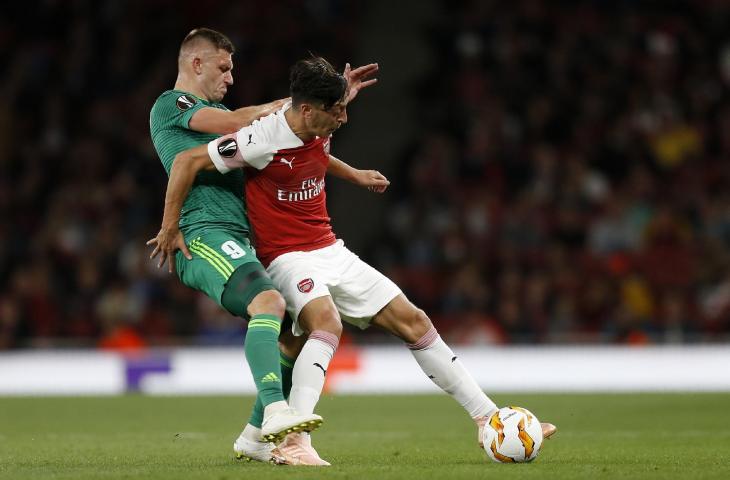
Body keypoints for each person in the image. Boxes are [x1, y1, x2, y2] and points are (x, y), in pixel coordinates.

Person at [153, 56, 556, 466]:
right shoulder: (258, 139)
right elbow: (190, 161)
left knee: (413, 320)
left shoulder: (315, 119)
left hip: (329, 248)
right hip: (288, 259)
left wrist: (356, 173)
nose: (343, 120)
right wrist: (170, 226)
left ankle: (488, 418)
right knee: (327, 323)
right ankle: (295, 441)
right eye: (336, 111)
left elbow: (312, 152)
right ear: (308, 109)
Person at [147, 29, 378, 464]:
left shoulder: (222, 112)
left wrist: (332, 103)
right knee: (269, 302)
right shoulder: (172, 105)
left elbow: (294, 137)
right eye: (223, 67)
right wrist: (170, 226)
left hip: (243, 239)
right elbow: (244, 125)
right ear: (196, 64)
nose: (230, 78)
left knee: (301, 328)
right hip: (205, 235)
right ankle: (275, 410)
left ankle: (254, 436)